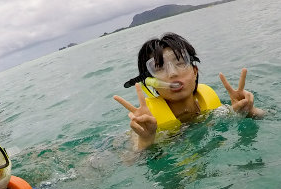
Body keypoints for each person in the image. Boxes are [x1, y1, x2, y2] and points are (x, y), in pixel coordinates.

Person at [113, 32, 264, 149]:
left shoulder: (216, 108)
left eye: (180, 63)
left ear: (195, 71)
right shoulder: (145, 125)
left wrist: (249, 110)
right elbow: (128, 159)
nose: (173, 73)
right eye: (159, 68)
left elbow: (271, 116)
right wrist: (146, 140)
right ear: (150, 83)